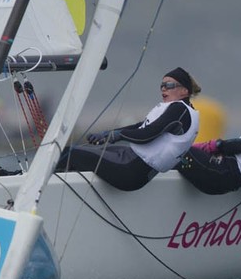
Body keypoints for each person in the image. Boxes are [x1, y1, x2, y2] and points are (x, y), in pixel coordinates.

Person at [54, 67, 201, 191]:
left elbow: (147, 135)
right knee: (78, 152)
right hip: (132, 161)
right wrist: (109, 134)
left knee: (66, 153)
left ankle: (37, 196)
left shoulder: (179, 110)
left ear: (184, 91)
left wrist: (116, 135)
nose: (163, 88)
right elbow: (140, 126)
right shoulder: (181, 111)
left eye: (169, 85)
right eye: (161, 85)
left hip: (131, 170)